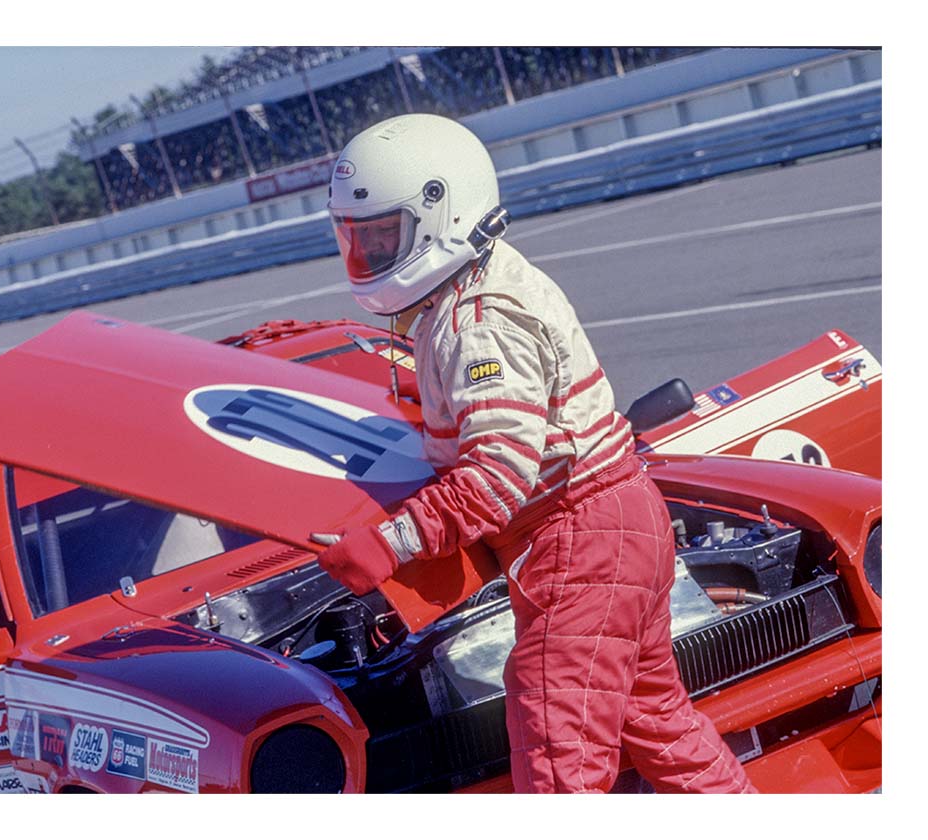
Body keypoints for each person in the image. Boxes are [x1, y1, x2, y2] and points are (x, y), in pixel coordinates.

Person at [313, 113, 756, 794]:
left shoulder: (477, 324)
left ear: (442, 214)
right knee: (659, 726)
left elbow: (497, 477)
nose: (368, 252)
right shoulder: (477, 289)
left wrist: (390, 542)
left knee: (557, 758)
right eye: (358, 236)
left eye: (382, 234)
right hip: (611, 520)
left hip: (578, 535)